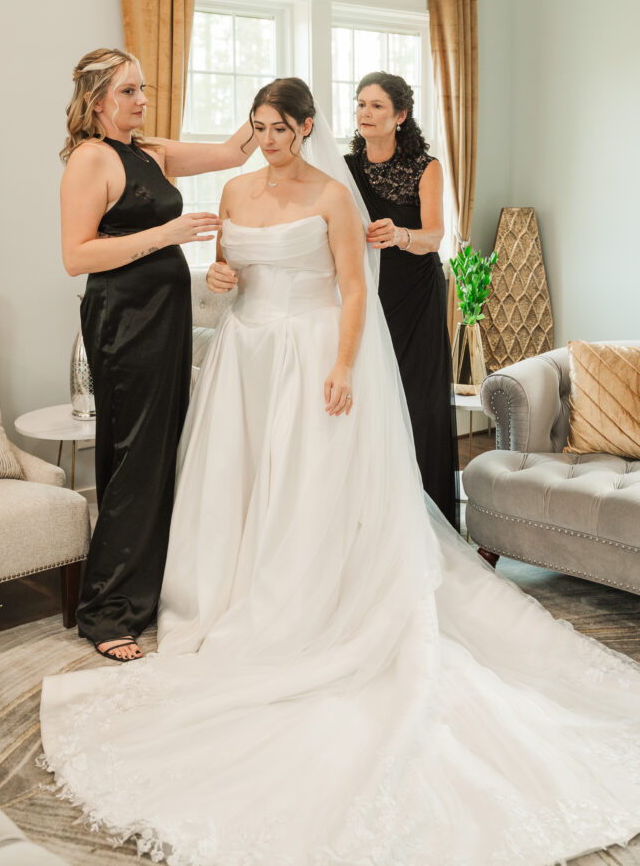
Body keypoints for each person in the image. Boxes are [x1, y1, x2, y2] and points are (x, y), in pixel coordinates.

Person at [41, 78, 640, 865]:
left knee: (308, 490)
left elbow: (354, 289)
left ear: (306, 129)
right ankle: (224, 596)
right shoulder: (235, 188)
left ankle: (310, 601)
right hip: (246, 361)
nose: (266, 141)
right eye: (257, 129)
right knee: (239, 487)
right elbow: (228, 272)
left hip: (311, 356)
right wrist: (221, 281)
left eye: (279, 129)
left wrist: (343, 366)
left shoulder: (331, 197)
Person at [60, 47, 256, 662]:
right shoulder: (90, 159)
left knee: (162, 448)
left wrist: (271, 102)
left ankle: (144, 591)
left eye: (143, 89)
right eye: (129, 92)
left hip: (164, 319)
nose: (142, 101)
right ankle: (106, 610)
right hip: (124, 318)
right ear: (97, 102)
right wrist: (166, 235)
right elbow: (77, 256)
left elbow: (231, 153)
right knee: (133, 456)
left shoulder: (153, 151)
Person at [345, 71, 457, 527]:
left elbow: (434, 237)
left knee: (418, 400)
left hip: (416, 295)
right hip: (366, 294)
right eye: (360, 104)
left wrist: (400, 234)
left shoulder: (425, 166)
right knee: (373, 397)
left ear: (400, 116)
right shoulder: (345, 169)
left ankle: (426, 515)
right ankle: (375, 514)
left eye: (375, 106)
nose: (365, 114)